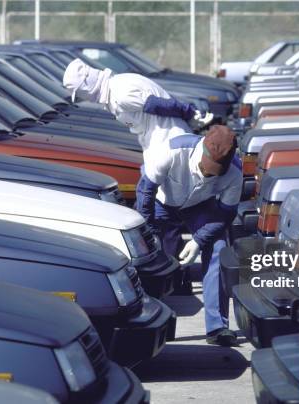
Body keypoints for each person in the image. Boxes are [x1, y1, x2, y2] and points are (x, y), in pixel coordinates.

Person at [136, 125, 242, 346]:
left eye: (215, 172)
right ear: (202, 148)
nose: (208, 174)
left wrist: (198, 240)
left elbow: (226, 213)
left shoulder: (234, 172)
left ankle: (217, 327)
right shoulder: (172, 150)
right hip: (160, 201)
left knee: (218, 248)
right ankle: (146, 321)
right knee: (147, 255)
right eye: (207, 167)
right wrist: (147, 230)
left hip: (200, 206)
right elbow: (146, 191)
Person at [62, 58, 213, 161]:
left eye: (80, 93)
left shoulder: (119, 95)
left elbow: (158, 105)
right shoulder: (118, 84)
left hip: (171, 148)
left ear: (86, 87)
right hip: (165, 149)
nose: (84, 97)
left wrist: (190, 113)